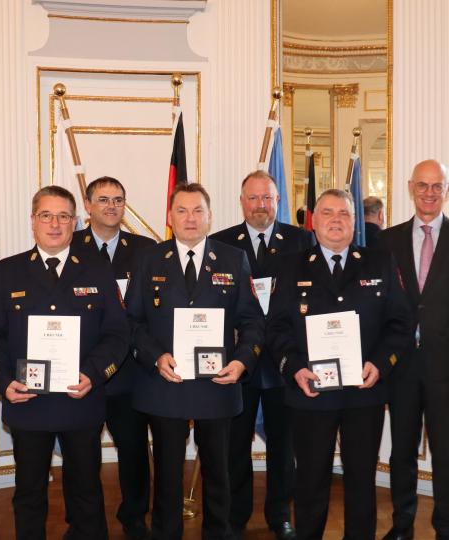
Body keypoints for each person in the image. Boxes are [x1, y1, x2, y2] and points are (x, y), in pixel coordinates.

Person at [0, 185, 129, 540]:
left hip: (81, 400)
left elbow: (118, 334)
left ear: (75, 221)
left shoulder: (96, 270)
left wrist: (94, 374)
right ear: (33, 221)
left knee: (86, 493)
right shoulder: (9, 271)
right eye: (46, 215)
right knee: (29, 493)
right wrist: (2, 382)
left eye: (63, 216)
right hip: (27, 402)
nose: (55, 224)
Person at [267, 189, 413, 540]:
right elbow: (276, 328)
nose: (336, 220)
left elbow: (401, 324)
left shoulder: (379, 262)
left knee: (361, 481)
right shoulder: (290, 266)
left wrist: (380, 364)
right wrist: (294, 368)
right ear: (314, 222)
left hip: (364, 394)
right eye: (327, 213)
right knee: (311, 481)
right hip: (311, 393)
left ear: (354, 223)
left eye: (344, 214)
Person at [125, 183, 264, 540]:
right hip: (164, 383)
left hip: (218, 383)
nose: (190, 218)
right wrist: (156, 357)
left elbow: (252, 321)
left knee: (219, 471)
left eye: (198, 210)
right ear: (170, 217)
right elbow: (132, 322)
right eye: (182, 211)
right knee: (168, 473)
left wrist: (242, 362)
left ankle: (219, 533)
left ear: (210, 216)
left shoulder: (233, 259)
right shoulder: (149, 260)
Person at [379, 159, 449, 540]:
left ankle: (447, 527)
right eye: (422, 185)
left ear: (447, 190)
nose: (428, 193)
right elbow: (378, 307)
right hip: (401, 366)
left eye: (436, 186)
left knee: (445, 453)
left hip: (446, 367)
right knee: (401, 454)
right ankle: (402, 525)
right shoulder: (387, 240)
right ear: (411, 187)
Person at [209, 170, 314, 539]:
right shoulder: (221, 243)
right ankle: (235, 516)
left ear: (278, 200)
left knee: (283, 445)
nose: (260, 205)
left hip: (285, 361)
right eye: (253, 198)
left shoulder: (302, 240)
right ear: (241, 202)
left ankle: (279, 514)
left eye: (267, 198)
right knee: (234, 443)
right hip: (239, 360)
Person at [70, 176, 156, 539]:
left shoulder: (147, 249)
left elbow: (155, 309)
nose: (111, 206)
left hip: (130, 371)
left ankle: (134, 517)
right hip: (81, 370)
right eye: (102, 200)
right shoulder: (68, 245)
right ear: (87, 206)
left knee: (134, 449)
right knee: (80, 454)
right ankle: (83, 524)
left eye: (118, 200)